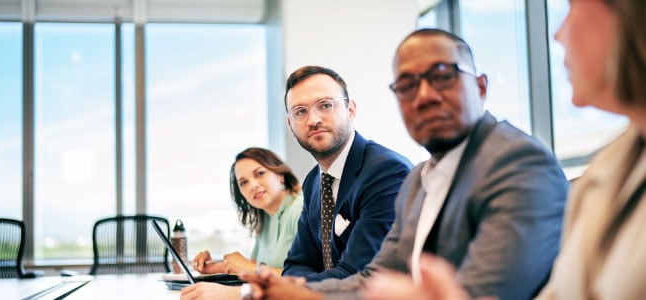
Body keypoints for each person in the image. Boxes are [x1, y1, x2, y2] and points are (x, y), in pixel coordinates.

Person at [240, 28, 569, 300]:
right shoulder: (420, 180)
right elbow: (373, 277)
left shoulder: (518, 165)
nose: (423, 96)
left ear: (481, 87)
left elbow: (483, 293)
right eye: (407, 86)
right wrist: (294, 292)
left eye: (442, 76)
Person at [363, 0, 646, 299]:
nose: (558, 34)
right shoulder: (611, 165)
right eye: (407, 85)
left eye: (573, 5)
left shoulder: (518, 163)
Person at [281, 65, 412, 282]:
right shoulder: (314, 181)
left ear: (350, 110)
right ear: (290, 124)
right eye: (300, 112)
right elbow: (297, 263)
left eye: (325, 105)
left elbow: (359, 274)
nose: (313, 120)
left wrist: (270, 292)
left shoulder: (386, 172)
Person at [181, 147, 304, 299]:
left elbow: (310, 279)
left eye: (259, 174)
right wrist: (210, 267)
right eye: (244, 182)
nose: (252, 185)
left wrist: (247, 269)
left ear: (280, 175)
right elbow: (251, 264)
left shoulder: (299, 208)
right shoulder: (265, 217)